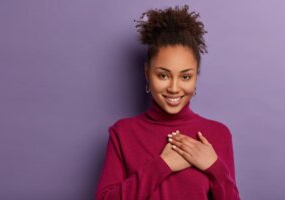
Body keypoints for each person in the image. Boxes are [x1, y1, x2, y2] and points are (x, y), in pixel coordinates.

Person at [95, 5, 240, 200]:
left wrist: (214, 167)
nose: (173, 87)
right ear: (147, 74)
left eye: (185, 77)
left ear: (196, 77)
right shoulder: (122, 133)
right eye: (163, 75)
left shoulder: (218, 134)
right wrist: (163, 165)